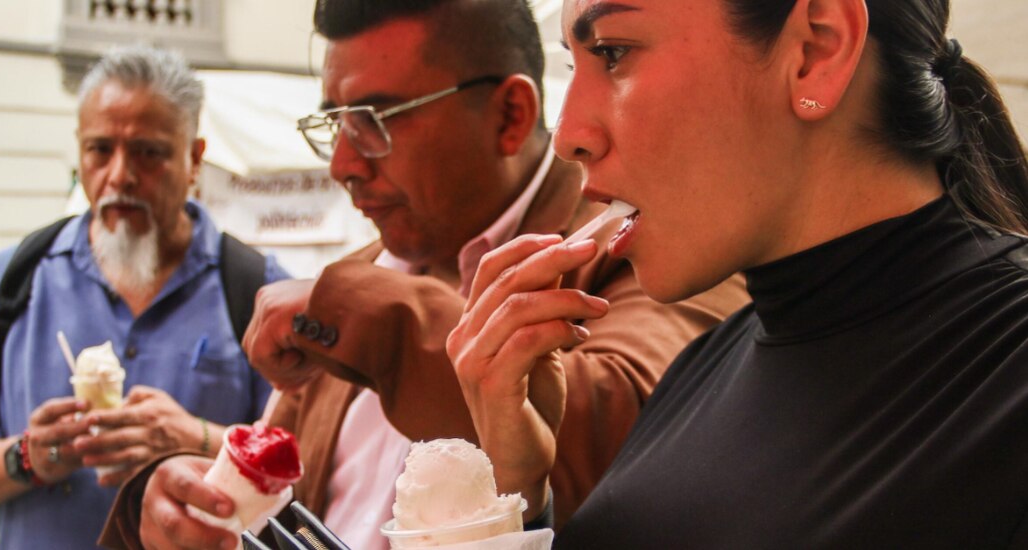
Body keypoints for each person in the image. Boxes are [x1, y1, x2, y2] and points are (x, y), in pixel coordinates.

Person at [99, 1, 749, 549]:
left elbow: (638, 434)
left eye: (376, 122)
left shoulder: (645, 242)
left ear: (510, 117)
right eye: (337, 123)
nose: (344, 164)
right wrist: (176, 499)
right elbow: (277, 493)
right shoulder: (359, 278)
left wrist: (378, 319)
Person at [449, 0, 1028, 547]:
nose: (569, 135)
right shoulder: (704, 366)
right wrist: (516, 494)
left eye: (613, 52)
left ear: (817, 51)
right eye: (576, 66)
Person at [0, 45, 286, 549]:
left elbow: (310, 466)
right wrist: (33, 455)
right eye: (100, 150)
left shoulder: (257, 291)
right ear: (79, 150)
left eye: (149, 152)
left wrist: (197, 438)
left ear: (194, 159)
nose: (119, 175)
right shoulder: (6, 285)